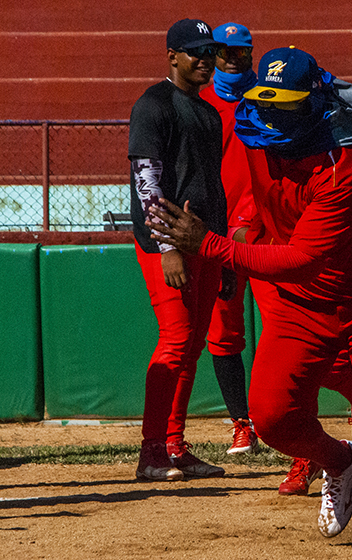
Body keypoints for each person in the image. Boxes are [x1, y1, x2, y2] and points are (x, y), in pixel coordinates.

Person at [147, 46, 352, 546]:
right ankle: (340, 462)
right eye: (265, 100)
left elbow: (304, 256)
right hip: (306, 302)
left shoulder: (351, 167)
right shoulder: (256, 137)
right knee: (272, 417)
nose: (270, 113)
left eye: (285, 105)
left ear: (316, 107)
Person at [128, 18, 229, 481]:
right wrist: (167, 244)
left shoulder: (207, 113)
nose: (205, 60)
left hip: (205, 242)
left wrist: (223, 252)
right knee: (175, 338)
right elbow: (146, 178)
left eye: (209, 52)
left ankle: (173, 445)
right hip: (166, 243)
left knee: (190, 347)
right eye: (195, 52)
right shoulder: (153, 105)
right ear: (172, 55)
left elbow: (215, 187)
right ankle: (151, 452)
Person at [198, 22, 260, 456]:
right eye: (226, 52)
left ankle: (342, 421)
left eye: (241, 52)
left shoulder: (270, 95)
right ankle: (242, 423)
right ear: (214, 54)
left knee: (301, 324)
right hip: (224, 234)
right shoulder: (201, 104)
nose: (234, 59)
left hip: (274, 229)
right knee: (223, 331)